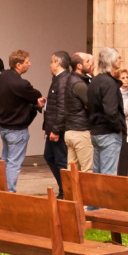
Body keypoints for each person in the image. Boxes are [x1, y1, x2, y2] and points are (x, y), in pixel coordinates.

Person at [0, 49, 44, 192]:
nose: (30, 64)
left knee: (5, 160)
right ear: (19, 65)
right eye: (27, 62)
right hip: (17, 130)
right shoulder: (22, 84)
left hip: (2, 126)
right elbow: (37, 96)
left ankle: (1, 190)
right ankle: (9, 193)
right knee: (13, 164)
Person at [85, 47, 126, 175]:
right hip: (108, 133)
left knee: (98, 173)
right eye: (118, 58)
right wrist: (118, 127)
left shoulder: (95, 80)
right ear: (111, 61)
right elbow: (111, 111)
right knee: (108, 175)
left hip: (96, 131)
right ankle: (104, 196)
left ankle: (95, 196)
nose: (121, 60)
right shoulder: (109, 83)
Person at [42, 52, 75, 188]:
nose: (50, 64)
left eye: (51, 61)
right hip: (54, 128)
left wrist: (56, 130)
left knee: (61, 161)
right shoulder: (58, 79)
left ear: (57, 63)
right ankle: (64, 189)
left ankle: (66, 191)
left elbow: (62, 108)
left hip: (58, 130)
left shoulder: (63, 80)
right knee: (49, 157)